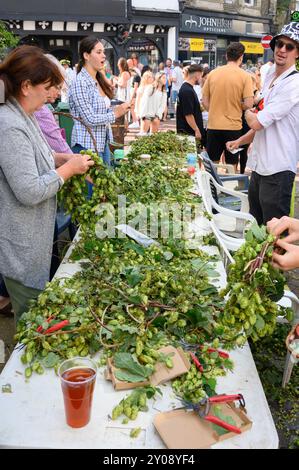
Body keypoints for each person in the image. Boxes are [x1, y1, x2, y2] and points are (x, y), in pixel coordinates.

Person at [0, 45, 95, 323]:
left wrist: (66, 158)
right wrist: (67, 170)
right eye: (47, 88)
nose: (50, 97)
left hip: (34, 236)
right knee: (31, 325)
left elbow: (40, 156)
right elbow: (29, 190)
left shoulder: (23, 115)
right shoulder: (9, 124)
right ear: (27, 86)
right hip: (21, 242)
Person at [226, 21, 299, 225]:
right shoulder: (270, 78)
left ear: (297, 53)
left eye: (290, 46)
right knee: (257, 230)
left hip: (278, 169)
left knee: (275, 237)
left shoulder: (294, 83)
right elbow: (261, 126)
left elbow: (257, 121)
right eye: (279, 44)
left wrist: (249, 110)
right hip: (259, 167)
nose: (282, 50)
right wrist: (240, 140)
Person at [68, 36, 130, 167]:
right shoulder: (80, 82)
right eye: (98, 52)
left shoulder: (98, 79)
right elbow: (89, 119)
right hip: (86, 146)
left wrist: (123, 109)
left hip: (102, 143)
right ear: (86, 55)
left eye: (103, 52)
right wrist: (116, 113)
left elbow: (102, 111)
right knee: (93, 187)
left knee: (104, 186)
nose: (104, 56)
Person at [202, 42, 253, 167]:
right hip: (233, 127)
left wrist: (214, 109)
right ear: (241, 57)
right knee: (231, 165)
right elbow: (249, 104)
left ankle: (212, 186)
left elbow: (204, 101)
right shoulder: (245, 76)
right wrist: (236, 106)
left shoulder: (213, 74)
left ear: (226, 56)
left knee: (212, 165)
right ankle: (230, 186)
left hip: (213, 125)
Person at [176, 64, 205, 148]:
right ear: (197, 75)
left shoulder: (188, 88)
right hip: (188, 133)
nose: (201, 78)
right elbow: (188, 114)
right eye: (201, 76)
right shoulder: (187, 90)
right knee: (191, 157)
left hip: (188, 131)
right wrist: (196, 130)